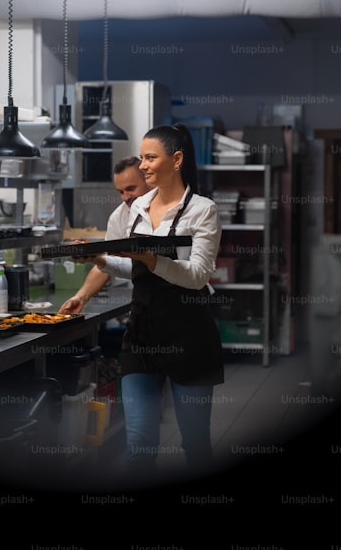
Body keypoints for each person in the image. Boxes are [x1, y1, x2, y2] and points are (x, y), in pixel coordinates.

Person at [78, 123, 224, 478]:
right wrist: (98, 259)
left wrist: (148, 258)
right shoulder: (135, 209)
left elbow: (197, 276)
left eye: (150, 157)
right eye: (141, 157)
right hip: (141, 335)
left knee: (194, 444)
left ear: (176, 160)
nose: (143, 165)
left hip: (190, 336)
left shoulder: (202, 210)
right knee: (139, 443)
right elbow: (132, 270)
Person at [58, 156, 148, 315]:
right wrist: (80, 297)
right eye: (121, 192)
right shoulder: (118, 217)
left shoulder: (169, 210)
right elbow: (107, 264)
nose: (125, 197)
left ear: (148, 180)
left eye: (131, 189)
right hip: (145, 303)